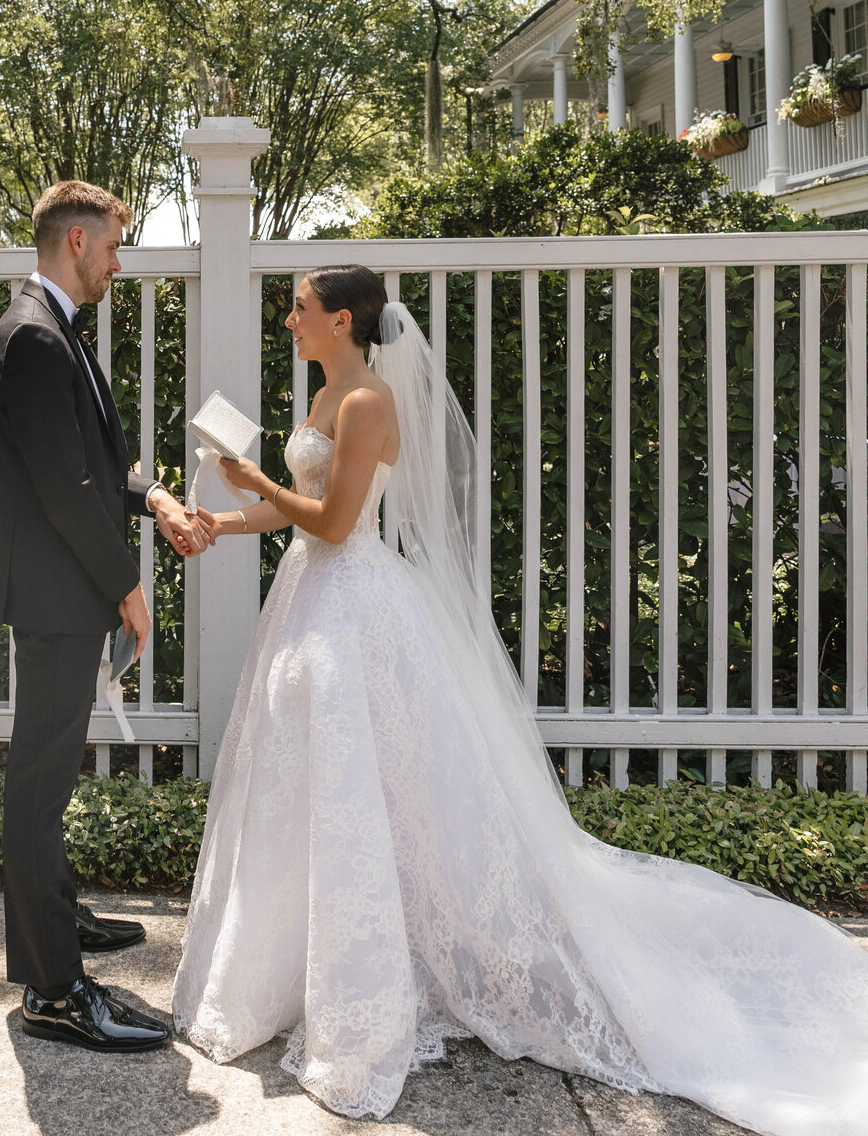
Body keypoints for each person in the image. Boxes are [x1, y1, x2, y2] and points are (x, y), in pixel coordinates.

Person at [173, 263, 868, 1133]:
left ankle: (376, 989)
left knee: (374, 795)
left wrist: (250, 481)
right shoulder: (323, 399)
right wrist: (220, 523)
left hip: (354, 604)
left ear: (342, 320)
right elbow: (296, 512)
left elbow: (339, 524)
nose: (289, 322)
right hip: (309, 605)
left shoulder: (367, 405)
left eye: (300, 310)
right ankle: (307, 966)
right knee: (317, 792)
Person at [0, 179, 214, 1054]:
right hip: (55, 593)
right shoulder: (36, 337)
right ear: (76, 240)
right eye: (114, 245)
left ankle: (58, 922)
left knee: (48, 776)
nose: (119, 262)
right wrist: (127, 584)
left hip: (57, 586)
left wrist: (152, 493)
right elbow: (65, 487)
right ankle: (51, 990)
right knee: (40, 784)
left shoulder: (49, 329)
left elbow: (89, 460)